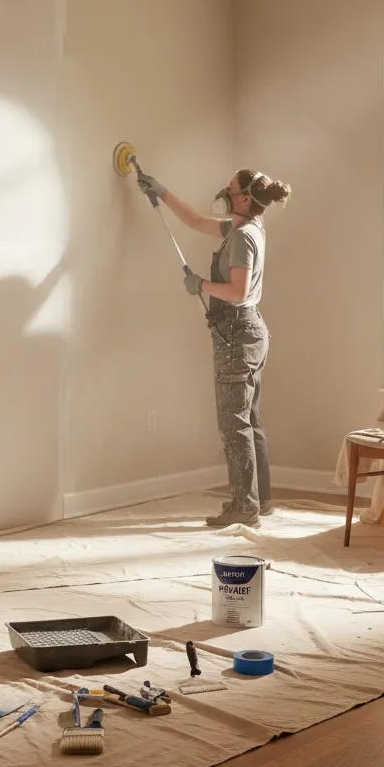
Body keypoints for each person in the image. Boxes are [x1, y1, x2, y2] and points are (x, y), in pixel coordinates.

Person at [135, 167, 292, 527]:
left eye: (231, 187)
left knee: (233, 424)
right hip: (250, 333)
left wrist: (201, 284)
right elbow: (194, 220)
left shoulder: (241, 238)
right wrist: (161, 191)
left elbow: (236, 292)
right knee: (249, 420)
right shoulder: (243, 229)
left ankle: (244, 506)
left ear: (244, 198)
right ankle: (259, 500)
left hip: (238, 333)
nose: (225, 190)